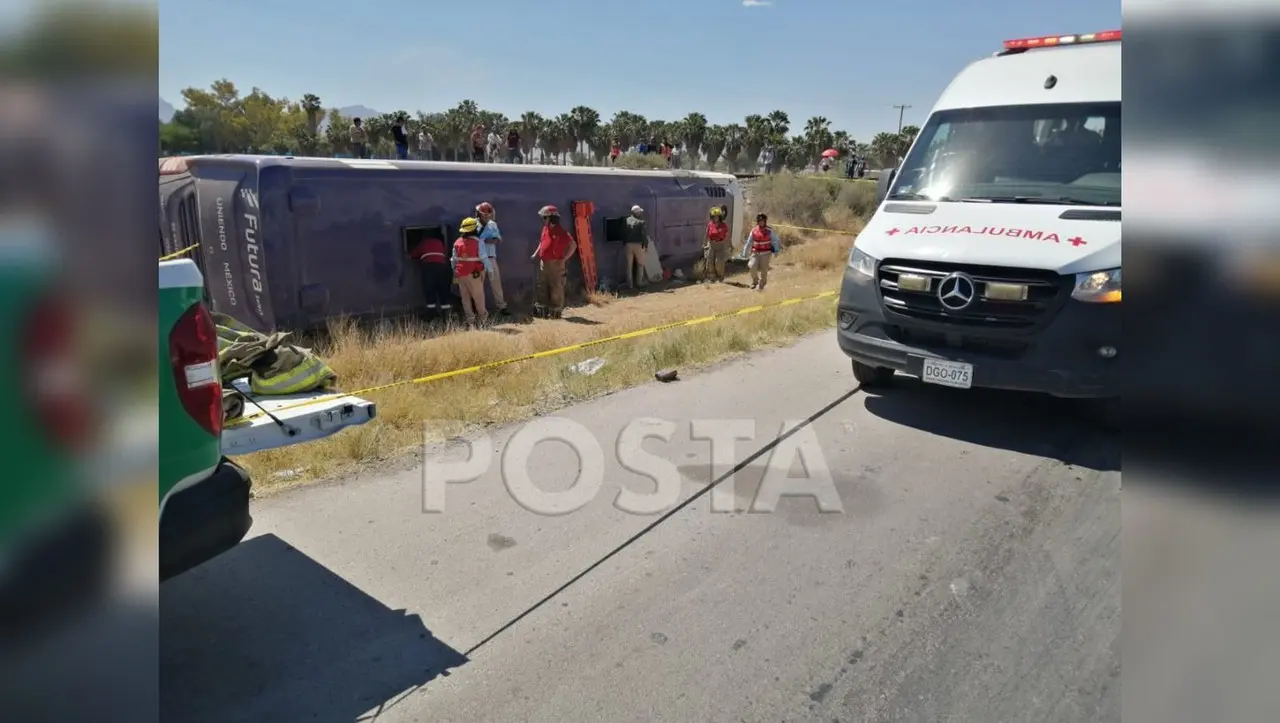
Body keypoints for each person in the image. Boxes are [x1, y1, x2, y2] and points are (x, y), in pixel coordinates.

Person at [530, 205, 577, 318]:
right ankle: (542, 310)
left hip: (556, 264)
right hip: (544, 263)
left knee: (556, 287)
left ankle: (555, 312)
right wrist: (536, 253)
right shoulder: (545, 229)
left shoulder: (562, 232)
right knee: (542, 285)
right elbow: (542, 242)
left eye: (544, 218)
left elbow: (573, 245)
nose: (543, 220)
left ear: (551, 218)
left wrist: (564, 259)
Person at [475, 201, 510, 316]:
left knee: (496, 283)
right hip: (478, 259)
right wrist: (486, 239)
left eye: (488, 214)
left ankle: (501, 306)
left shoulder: (492, 225)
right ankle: (479, 309)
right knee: (477, 285)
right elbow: (473, 240)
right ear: (479, 214)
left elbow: (497, 239)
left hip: (491, 258)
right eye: (484, 214)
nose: (486, 216)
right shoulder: (474, 224)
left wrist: (485, 240)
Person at [408, 230, 452, 320]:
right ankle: (447, 315)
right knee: (443, 289)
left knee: (429, 289)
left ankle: (431, 314)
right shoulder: (439, 242)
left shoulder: (423, 243)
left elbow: (413, 254)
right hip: (442, 267)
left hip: (429, 268)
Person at [452, 217, 488, 326]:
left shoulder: (457, 242)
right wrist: (486, 271)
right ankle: (483, 321)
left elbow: (453, 260)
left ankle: (470, 321)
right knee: (479, 298)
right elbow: (484, 258)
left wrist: (455, 272)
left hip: (460, 274)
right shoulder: (478, 242)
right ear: (474, 229)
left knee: (465, 298)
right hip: (474, 274)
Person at [741, 213, 782, 291]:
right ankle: (755, 281)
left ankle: (762, 284)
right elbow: (749, 242)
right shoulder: (754, 231)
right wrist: (745, 252)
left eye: (762, 221)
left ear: (765, 221)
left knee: (764, 270)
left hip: (766, 254)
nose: (761, 222)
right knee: (752, 266)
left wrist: (776, 250)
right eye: (759, 221)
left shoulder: (769, 231)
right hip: (755, 253)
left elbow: (775, 241)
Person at [622, 204, 651, 291]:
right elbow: (643, 236)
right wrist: (646, 245)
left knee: (629, 265)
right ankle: (639, 283)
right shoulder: (641, 223)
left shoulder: (625, 220)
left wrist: (625, 243)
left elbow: (623, 233)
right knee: (640, 264)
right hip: (638, 245)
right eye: (639, 212)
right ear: (637, 213)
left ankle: (629, 284)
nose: (640, 214)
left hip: (628, 245)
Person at [702, 207, 732, 283]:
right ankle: (712, 279)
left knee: (718, 263)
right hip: (711, 245)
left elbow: (728, 236)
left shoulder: (724, 225)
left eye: (717, 216)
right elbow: (706, 235)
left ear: (720, 217)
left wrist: (730, 245)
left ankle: (720, 277)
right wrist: (704, 244)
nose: (716, 218)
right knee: (710, 262)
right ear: (712, 217)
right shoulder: (710, 225)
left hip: (720, 245)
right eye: (714, 216)